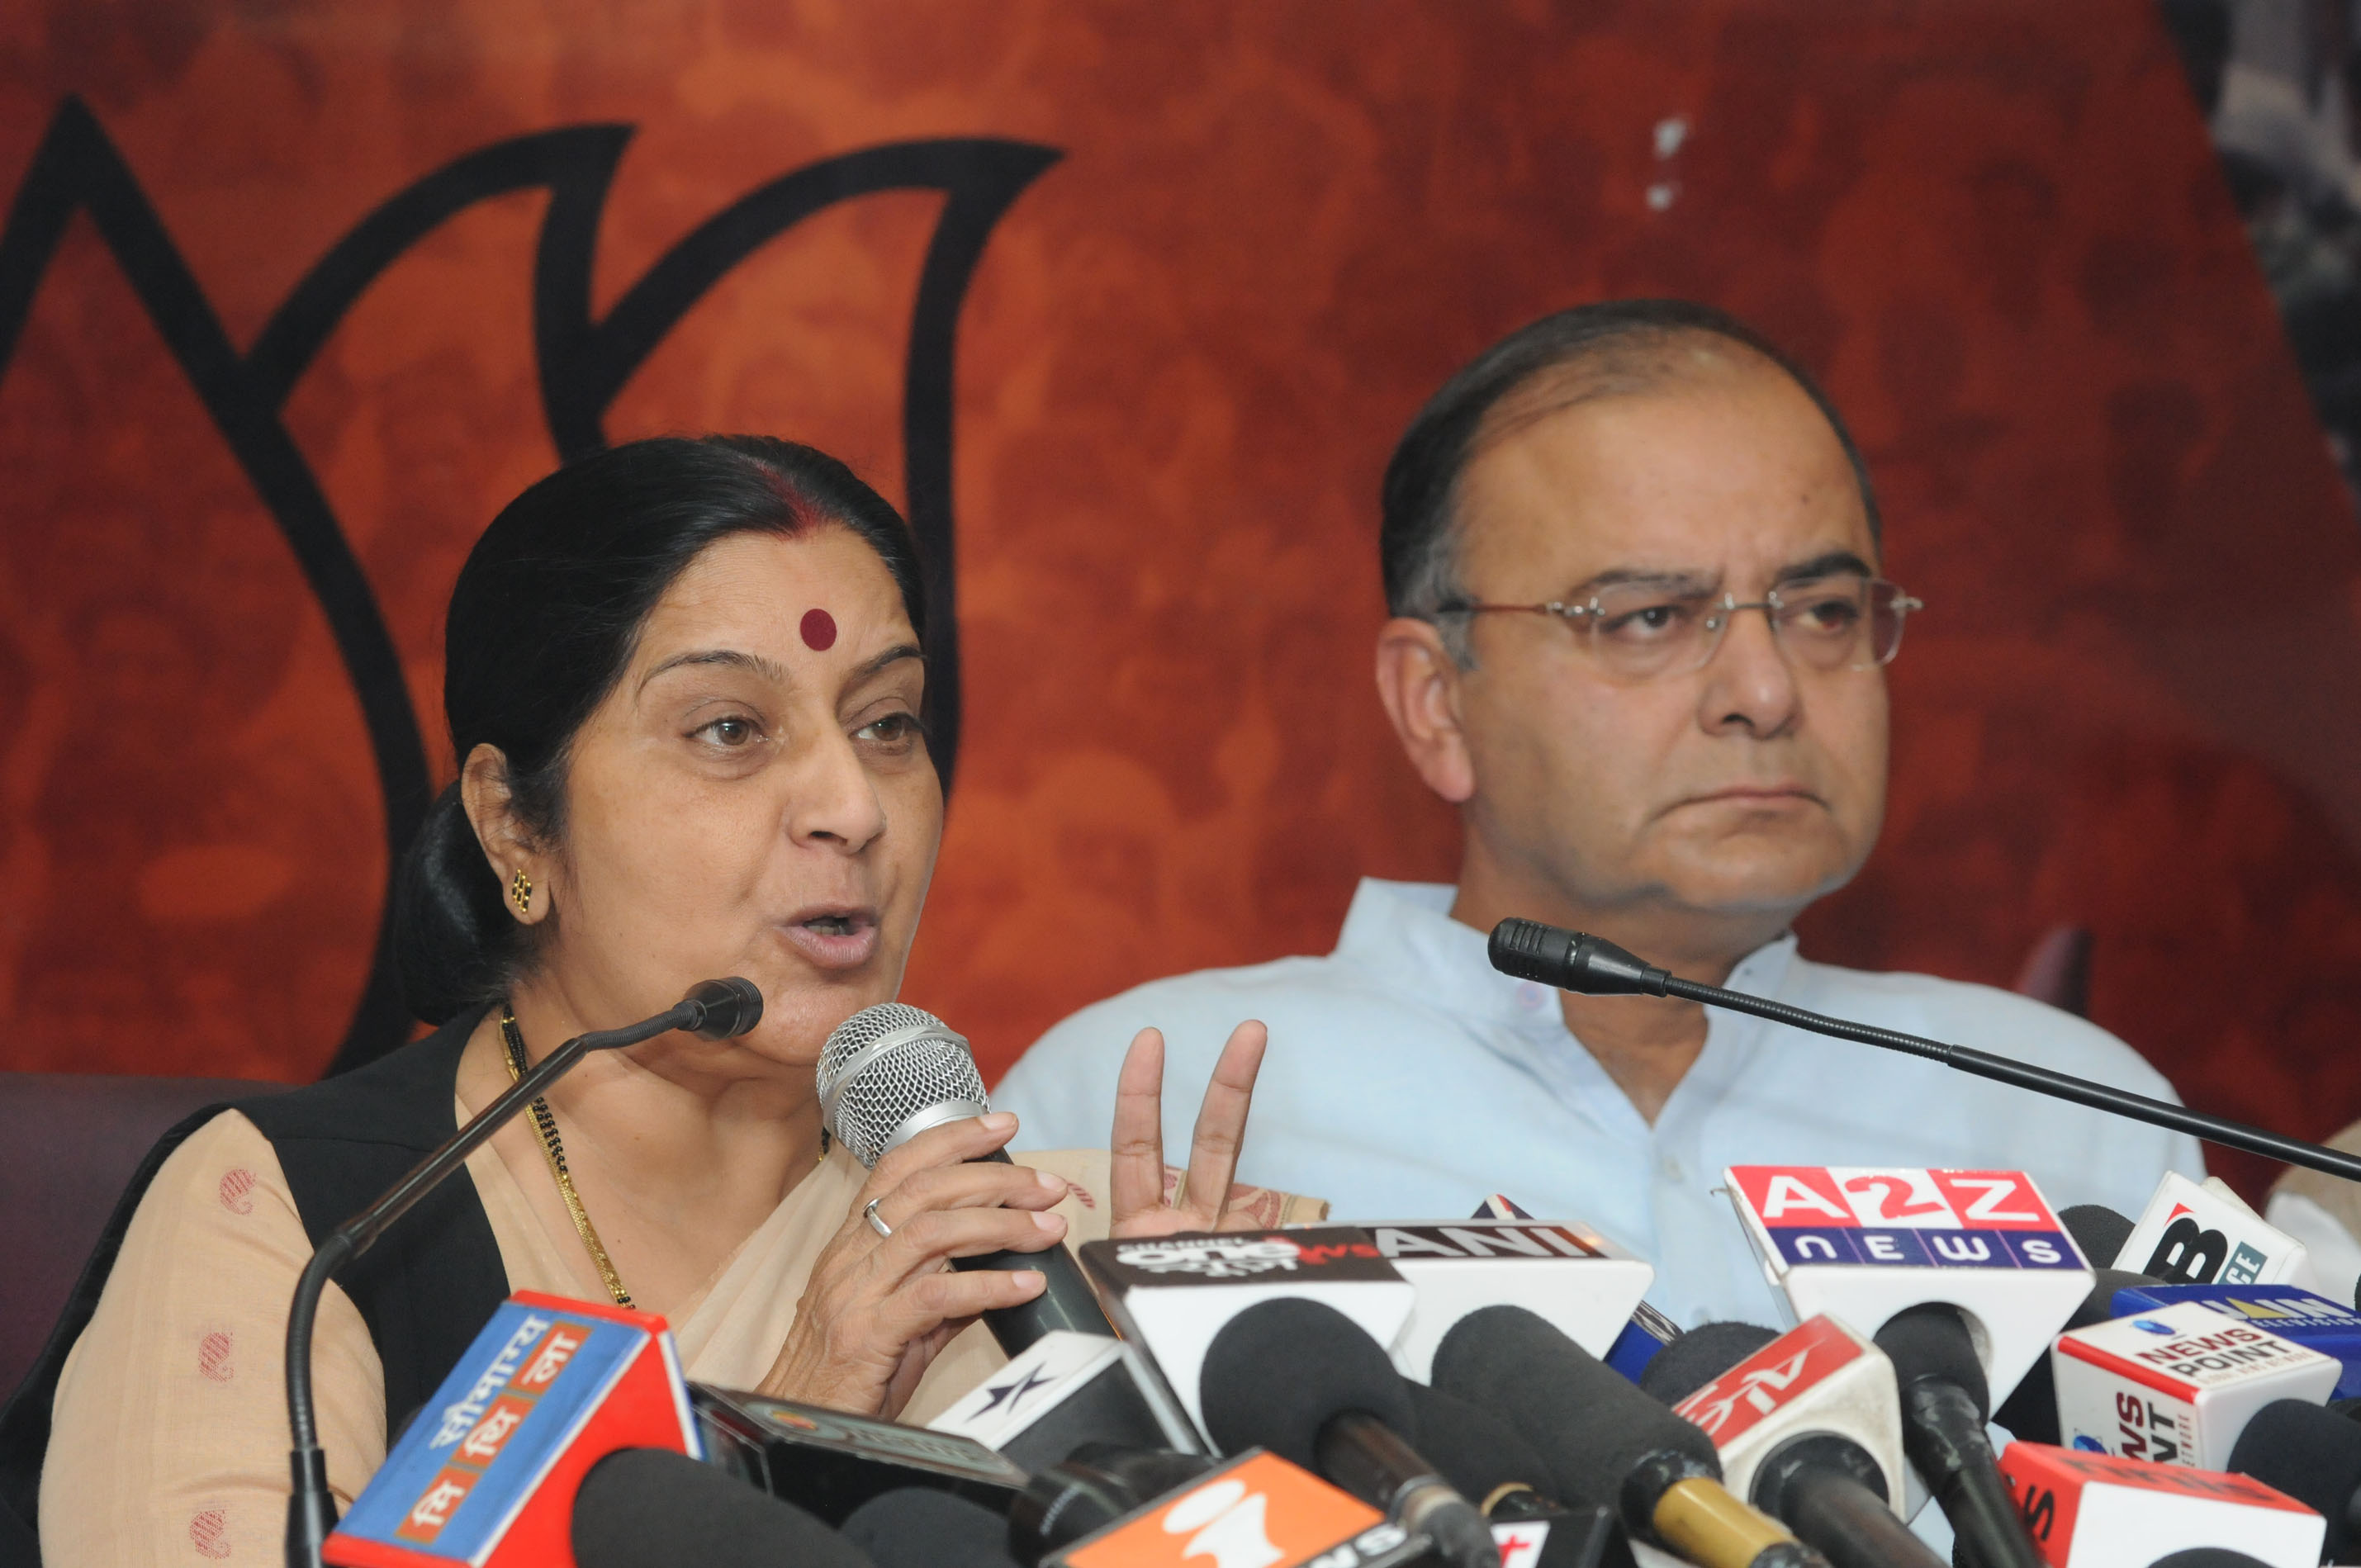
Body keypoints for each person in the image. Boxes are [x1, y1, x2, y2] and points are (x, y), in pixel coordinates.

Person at [5, 437, 1286, 1566]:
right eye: (730, 730)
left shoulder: (1039, 1247)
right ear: (515, 823)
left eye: (889, 723)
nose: (852, 806)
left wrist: (1188, 1429)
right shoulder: (304, 1233)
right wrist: (797, 1412)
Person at [997, 300, 2207, 1331]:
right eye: (1648, 619)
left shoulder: (2065, 1115)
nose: (1768, 692)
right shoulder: (1157, 1099)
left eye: (1825, 610)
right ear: (1435, 704)